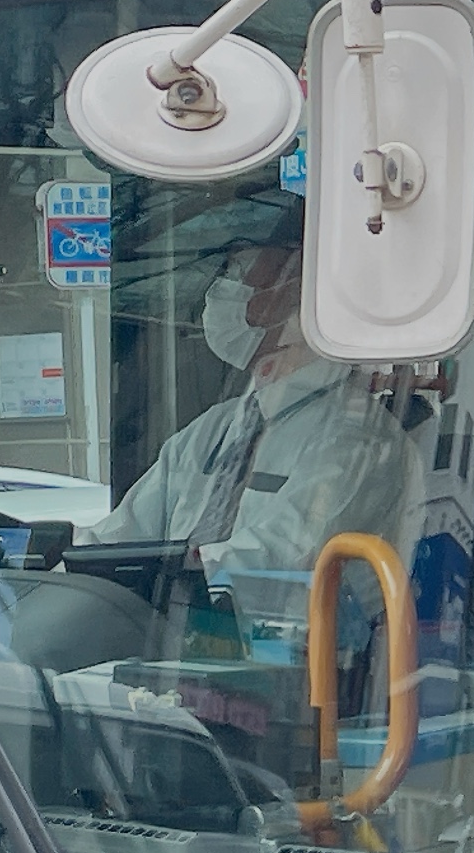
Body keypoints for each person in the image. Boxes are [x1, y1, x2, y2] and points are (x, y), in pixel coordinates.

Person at [86, 234, 417, 599]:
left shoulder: (356, 437)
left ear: (294, 295)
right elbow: (123, 534)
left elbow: (285, 555)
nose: (222, 288)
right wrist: (59, 562)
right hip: (178, 640)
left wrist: (181, 571)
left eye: (241, 270)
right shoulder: (216, 428)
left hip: (296, 651)